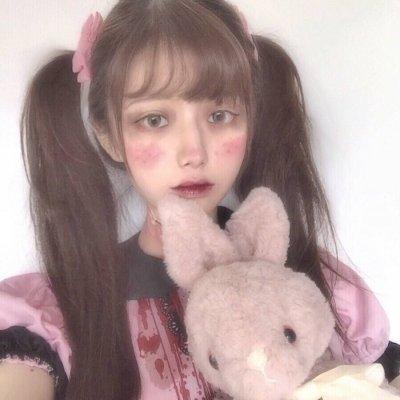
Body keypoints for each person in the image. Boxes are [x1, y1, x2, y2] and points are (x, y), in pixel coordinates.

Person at [0, 1, 391, 399]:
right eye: (154, 120)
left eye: (220, 115)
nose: (194, 153)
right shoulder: (57, 315)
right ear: (109, 137)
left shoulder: (318, 287)